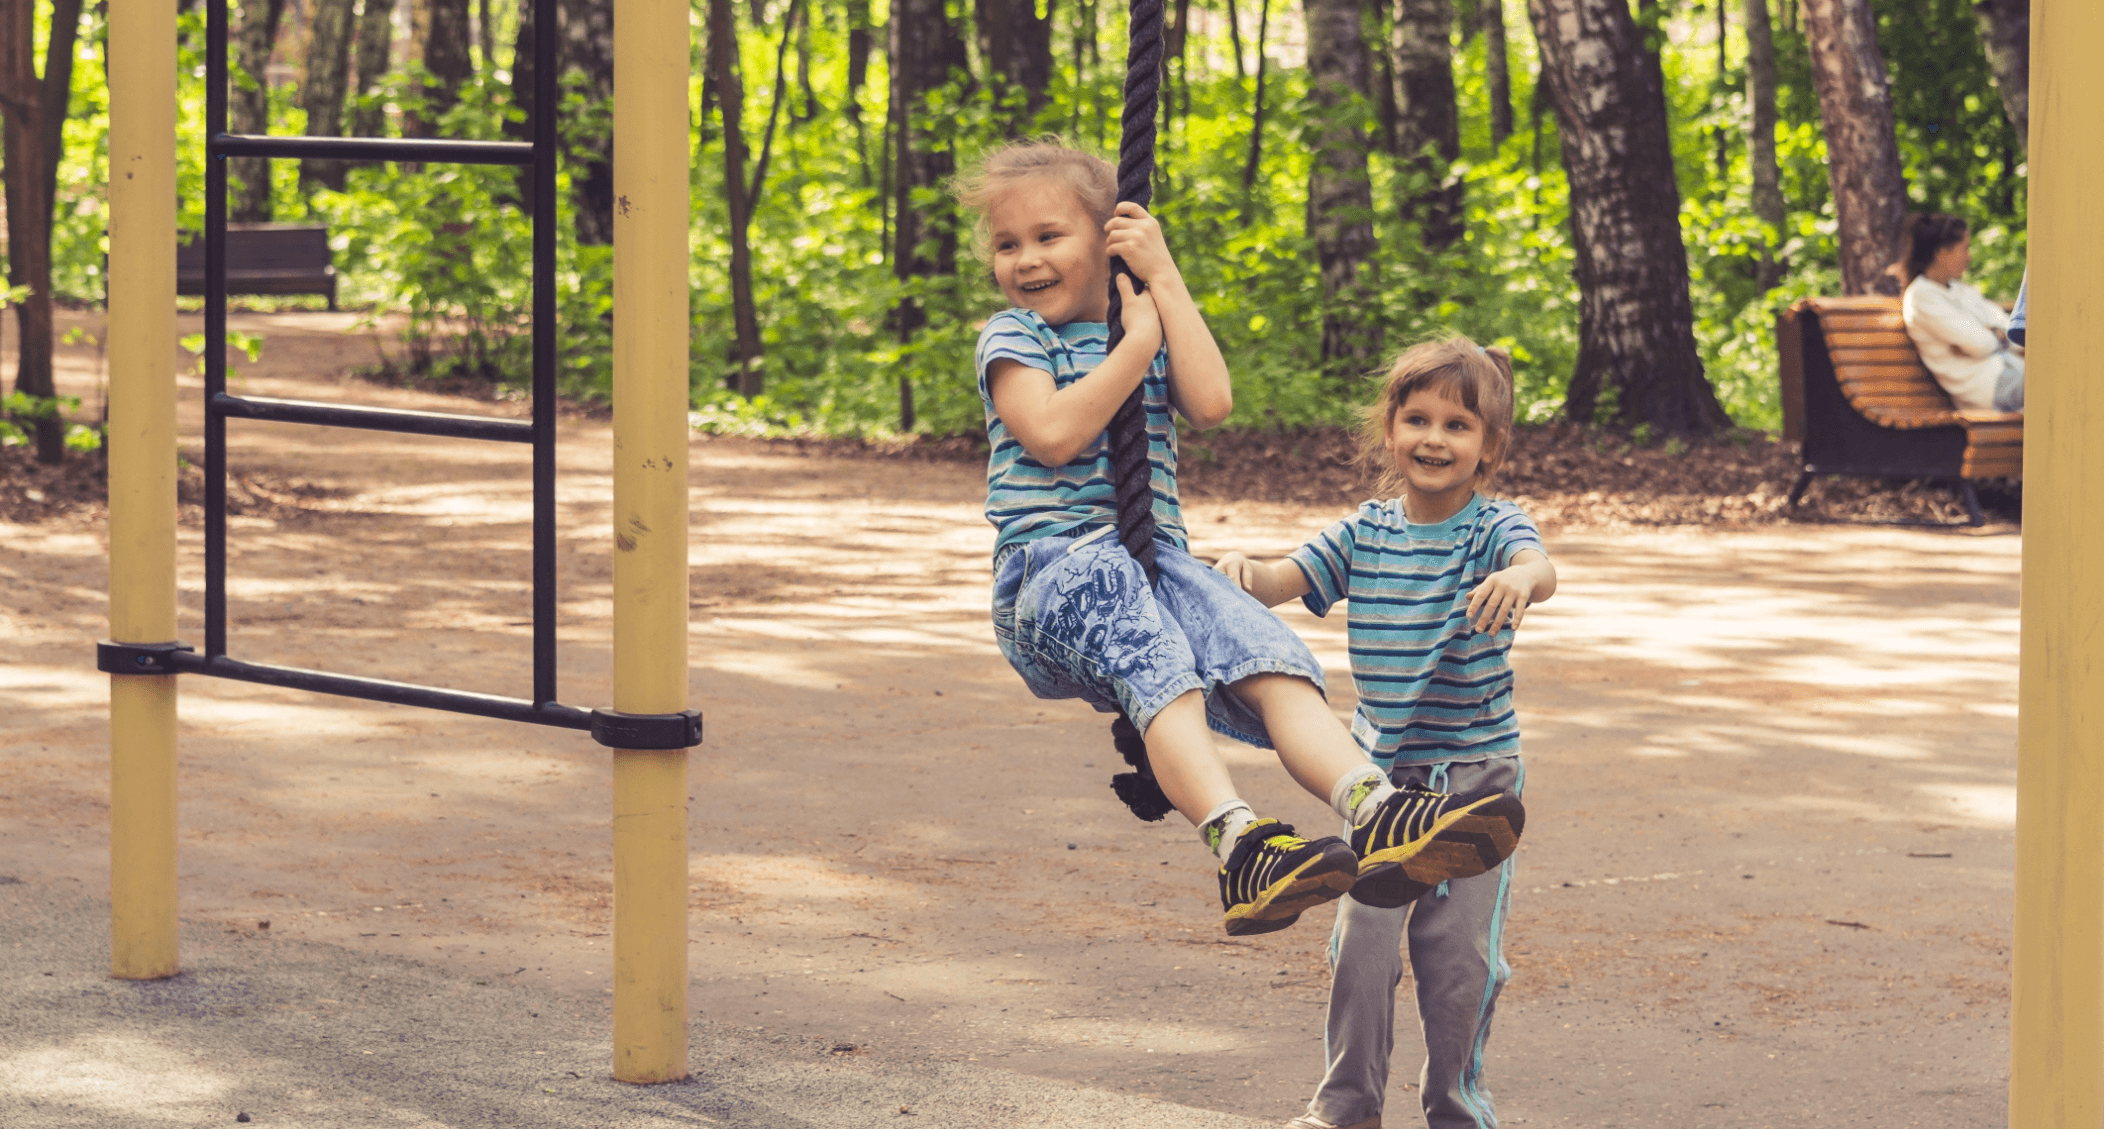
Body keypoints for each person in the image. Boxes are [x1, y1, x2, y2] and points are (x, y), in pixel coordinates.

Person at [955, 140, 1526, 938]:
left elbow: (1213, 400)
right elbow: (1050, 434)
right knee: (1159, 664)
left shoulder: (1142, 321)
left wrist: (1164, 282)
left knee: (1268, 653)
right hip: (1050, 572)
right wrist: (1136, 349)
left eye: (1049, 236)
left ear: (1110, 240)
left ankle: (1377, 809)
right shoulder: (1015, 336)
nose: (1025, 259)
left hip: (1151, 564)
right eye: (1007, 244)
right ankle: (1239, 842)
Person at [1212, 338, 1555, 1129]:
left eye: (1458, 425)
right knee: (1359, 952)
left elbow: (1540, 567)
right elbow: (1282, 577)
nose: (1435, 438)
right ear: (1390, 429)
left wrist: (1518, 577)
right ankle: (1346, 1105)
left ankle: (1457, 1106)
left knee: (1459, 962)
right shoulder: (1363, 532)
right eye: (1418, 418)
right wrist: (1241, 570)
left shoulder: (1494, 528)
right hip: (1381, 787)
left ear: (1488, 447)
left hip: (1477, 781)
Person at [1900, 212, 2024, 412]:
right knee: (2061, 382)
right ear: (1942, 252)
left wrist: (1994, 334)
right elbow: (1979, 344)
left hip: (2013, 374)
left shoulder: (1962, 291)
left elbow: (2010, 329)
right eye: (1964, 248)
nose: (1969, 257)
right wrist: (1995, 336)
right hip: (1988, 389)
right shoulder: (1921, 297)